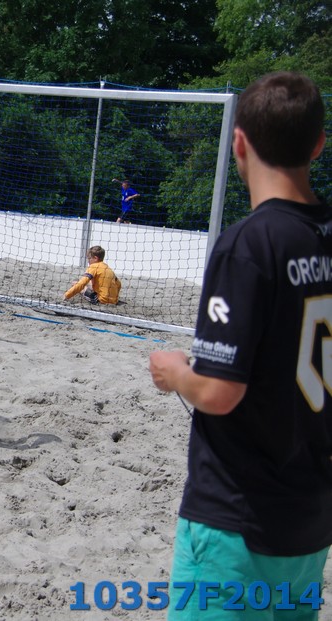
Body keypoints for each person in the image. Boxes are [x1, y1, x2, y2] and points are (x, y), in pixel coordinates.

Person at [148, 71, 331, 618]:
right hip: (310, 514)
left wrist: (174, 371)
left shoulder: (250, 244)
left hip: (238, 517)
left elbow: (219, 391)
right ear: (318, 145)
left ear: (239, 144)